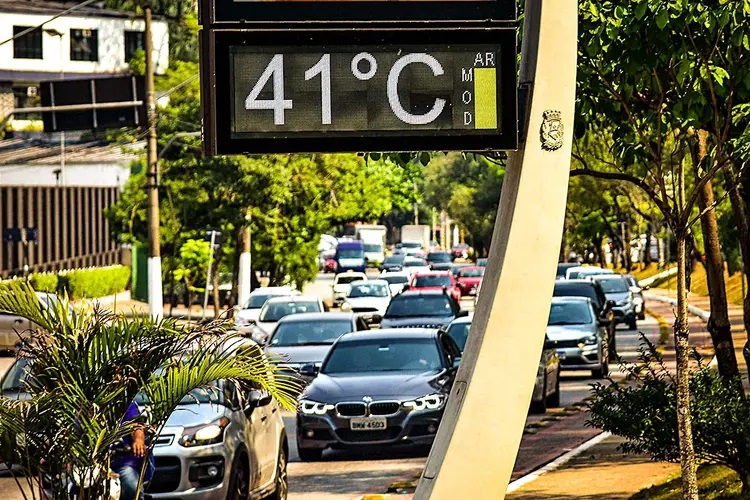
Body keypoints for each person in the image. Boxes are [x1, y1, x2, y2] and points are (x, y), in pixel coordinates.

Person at [112, 401, 153, 500]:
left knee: (132, 487)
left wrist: (138, 440)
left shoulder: (125, 401)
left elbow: (136, 425)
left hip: (121, 463)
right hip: (94, 466)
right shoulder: (86, 403)